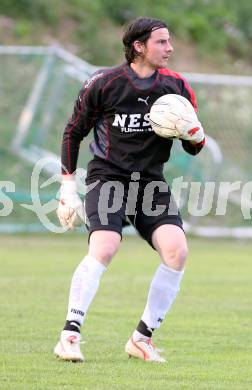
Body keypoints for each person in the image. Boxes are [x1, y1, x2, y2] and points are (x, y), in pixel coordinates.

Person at [54, 17, 205, 363]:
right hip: (108, 177)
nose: (170, 48)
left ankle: (141, 338)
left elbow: (194, 145)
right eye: (162, 42)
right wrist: (68, 189)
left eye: (170, 42)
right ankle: (69, 335)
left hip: (150, 183)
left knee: (177, 252)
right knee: (105, 246)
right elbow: (72, 132)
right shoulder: (104, 83)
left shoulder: (176, 86)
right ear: (138, 46)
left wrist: (194, 135)